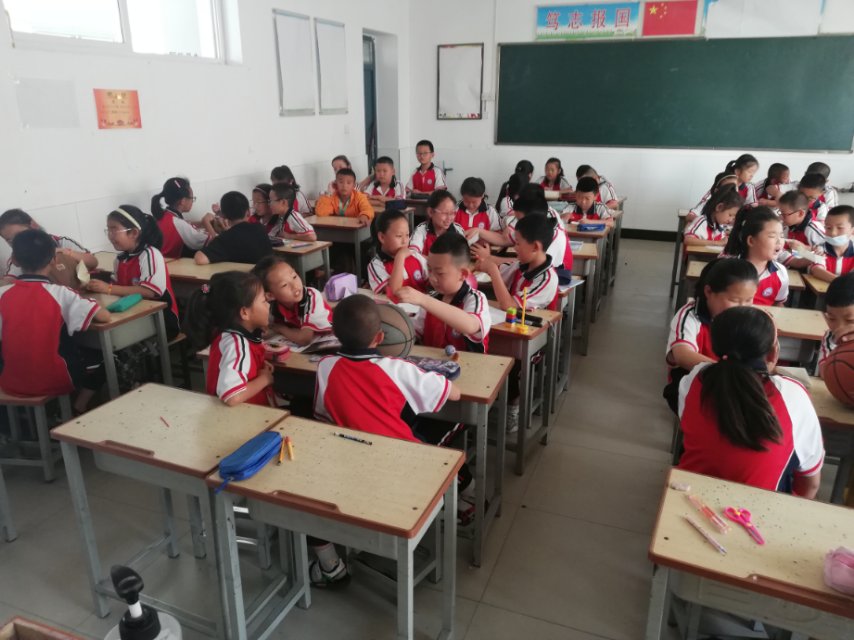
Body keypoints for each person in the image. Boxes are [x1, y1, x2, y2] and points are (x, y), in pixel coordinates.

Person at [313, 294, 460, 586]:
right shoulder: (396, 367)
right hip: (403, 467)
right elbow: (453, 394)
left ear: (334, 334)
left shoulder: (325, 366)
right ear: (380, 337)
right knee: (450, 429)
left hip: (350, 466)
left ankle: (329, 562)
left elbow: (322, 415)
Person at [678, 306, 824, 497]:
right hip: (754, 511)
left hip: (686, 497)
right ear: (773, 352)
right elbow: (810, 483)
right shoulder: (792, 394)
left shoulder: (695, 379)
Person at [0, 229, 110, 413]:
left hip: (11, 380)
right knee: (108, 355)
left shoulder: (3, 294)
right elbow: (104, 317)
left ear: (15, 260)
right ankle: (78, 407)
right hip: (56, 379)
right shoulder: (61, 293)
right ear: (54, 260)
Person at [663, 258, 758, 413]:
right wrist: (730, 373)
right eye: (734, 300)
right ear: (708, 292)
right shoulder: (690, 316)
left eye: (749, 300)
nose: (742, 308)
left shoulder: (750, 316)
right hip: (694, 381)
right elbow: (682, 355)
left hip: (733, 382)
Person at [86, 205, 180, 339]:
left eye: (114, 230)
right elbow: (118, 288)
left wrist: (108, 288)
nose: (110, 236)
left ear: (134, 233)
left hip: (162, 321)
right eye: (108, 230)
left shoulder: (150, 254)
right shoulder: (120, 259)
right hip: (132, 314)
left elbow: (150, 292)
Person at [186, 271, 274, 406]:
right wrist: (265, 379)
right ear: (244, 312)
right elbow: (232, 396)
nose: (268, 305)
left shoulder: (230, 334)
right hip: (244, 416)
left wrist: (256, 365)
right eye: (263, 301)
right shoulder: (237, 344)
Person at [396, 232, 491, 353]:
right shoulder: (431, 299)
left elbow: (471, 325)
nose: (432, 278)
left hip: (467, 364)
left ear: (462, 274)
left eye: (440, 273)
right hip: (431, 363)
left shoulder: (475, 298)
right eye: (429, 270)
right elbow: (414, 333)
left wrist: (423, 299)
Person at [472, 213, 559, 312]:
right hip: (512, 319)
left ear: (535, 247)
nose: (515, 248)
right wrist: (483, 265)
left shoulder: (547, 280)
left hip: (530, 321)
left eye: (518, 243)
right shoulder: (521, 266)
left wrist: (492, 269)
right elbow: (498, 271)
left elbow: (509, 306)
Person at [252, 255, 332, 347]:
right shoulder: (271, 305)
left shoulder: (310, 296)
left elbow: (304, 339)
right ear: (270, 296)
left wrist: (281, 328)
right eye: (284, 285)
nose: (295, 286)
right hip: (300, 345)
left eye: (294, 277)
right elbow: (265, 326)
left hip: (329, 341)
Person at [0, 208, 97, 280]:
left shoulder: (61, 242)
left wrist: (66, 252)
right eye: (10, 241)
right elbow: (9, 282)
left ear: (33, 225)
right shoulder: (19, 258)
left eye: (20, 235)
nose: (18, 241)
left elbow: (93, 262)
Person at [723, 206, 788, 306]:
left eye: (782, 236)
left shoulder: (781, 273)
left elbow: (778, 304)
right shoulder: (728, 269)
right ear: (751, 241)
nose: (779, 241)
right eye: (772, 236)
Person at [194, 192, 272, 265]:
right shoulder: (260, 228)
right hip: (265, 273)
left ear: (223, 215)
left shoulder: (226, 238)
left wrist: (209, 226)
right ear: (248, 212)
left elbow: (200, 258)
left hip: (242, 275)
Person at [367, 210, 428, 297]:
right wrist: (400, 258)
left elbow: (430, 281)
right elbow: (394, 292)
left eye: (407, 235)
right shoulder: (376, 265)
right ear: (382, 237)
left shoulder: (415, 256)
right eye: (399, 236)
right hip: (396, 306)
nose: (405, 241)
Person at [151, 177, 215, 259]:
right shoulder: (178, 223)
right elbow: (213, 242)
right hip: (172, 265)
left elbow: (184, 225)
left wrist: (202, 223)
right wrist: (206, 222)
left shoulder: (164, 215)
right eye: (192, 198)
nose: (192, 201)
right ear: (183, 201)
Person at [818, 272, 854, 377]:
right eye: (832, 319)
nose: (839, 328)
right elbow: (826, 373)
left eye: (850, 320)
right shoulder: (831, 337)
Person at [409, 189, 465, 256]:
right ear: (430, 212)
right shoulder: (421, 230)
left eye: (452, 213)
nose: (449, 218)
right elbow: (413, 253)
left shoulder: (457, 230)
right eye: (445, 213)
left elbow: (462, 256)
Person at [807, 205, 854, 283]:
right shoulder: (820, 249)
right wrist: (843, 283)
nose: (833, 233)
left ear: (853, 230)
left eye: (840, 228)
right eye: (828, 228)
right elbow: (817, 270)